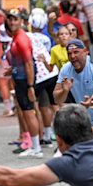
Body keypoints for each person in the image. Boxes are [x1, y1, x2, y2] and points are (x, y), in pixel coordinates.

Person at [6, 9, 42, 158]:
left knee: (29, 113)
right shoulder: (16, 37)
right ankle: (34, 146)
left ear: (21, 21)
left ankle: (36, 148)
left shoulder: (21, 39)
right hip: (20, 80)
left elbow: (29, 63)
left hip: (24, 81)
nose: (13, 22)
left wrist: (30, 86)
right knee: (26, 113)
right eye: (10, 19)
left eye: (16, 19)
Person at [53, 39, 93, 132]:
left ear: (85, 51)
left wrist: (91, 103)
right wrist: (64, 91)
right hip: (84, 120)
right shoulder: (66, 69)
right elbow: (57, 99)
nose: (72, 56)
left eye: (76, 52)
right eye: (69, 53)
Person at [26, 11, 58, 147]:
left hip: (39, 76)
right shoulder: (46, 38)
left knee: (37, 107)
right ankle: (50, 135)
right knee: (52, 106)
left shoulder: (28, 36)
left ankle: (39, 138)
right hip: (51, 73)